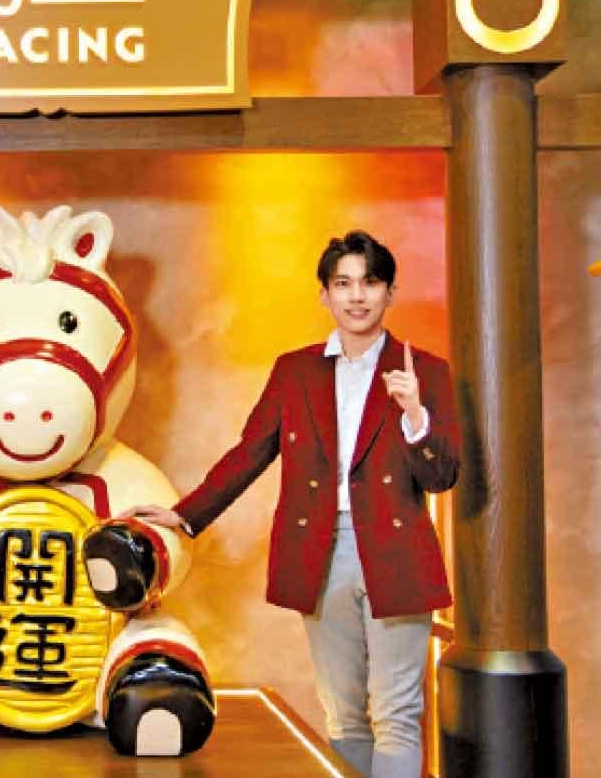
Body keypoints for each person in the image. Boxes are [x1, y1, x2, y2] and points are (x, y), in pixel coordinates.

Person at [122, 231, 459, 778]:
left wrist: (415, 415)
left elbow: (442, 476)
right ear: (325, 294)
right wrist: (186, 514)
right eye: (343, 283)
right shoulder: (295, 371)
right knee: (344, 715)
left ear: (389, 293)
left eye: (370, 283)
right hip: (320, 550)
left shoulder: (425, 371)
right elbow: (250, 451)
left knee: (397, 715)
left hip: (396, 552)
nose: (357, 296)